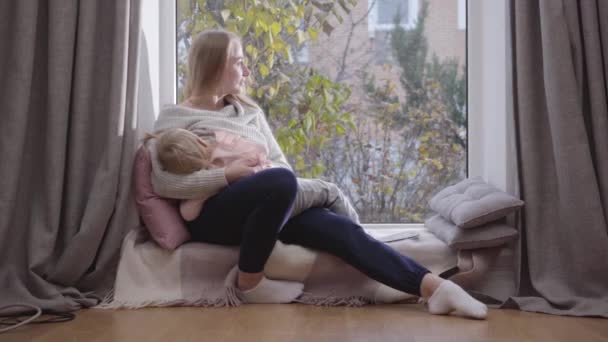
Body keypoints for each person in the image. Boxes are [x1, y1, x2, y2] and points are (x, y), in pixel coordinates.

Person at [146, 29, 487, 319]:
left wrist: (283, 189)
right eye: (238, 61)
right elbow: (165, 182)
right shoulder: (175, 117)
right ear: (215, 64)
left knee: (334, 226)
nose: (246, 71)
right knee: (280, 183)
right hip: (214, 215)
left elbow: (281, 167)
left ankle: (436, 288)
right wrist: (229, 177)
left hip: (265, 209)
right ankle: (249, 283)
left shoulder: (248, 113)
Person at [147, 127, 359, 223]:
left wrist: (206, 187)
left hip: (269, 200)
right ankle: (359, 231)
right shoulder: (225, 143)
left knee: (322, 208)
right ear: (200, 140)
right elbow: (261, 154)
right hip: (278, 194)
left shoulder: (201, 185)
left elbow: (188, 214)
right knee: (330, 191)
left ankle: (355, 234)